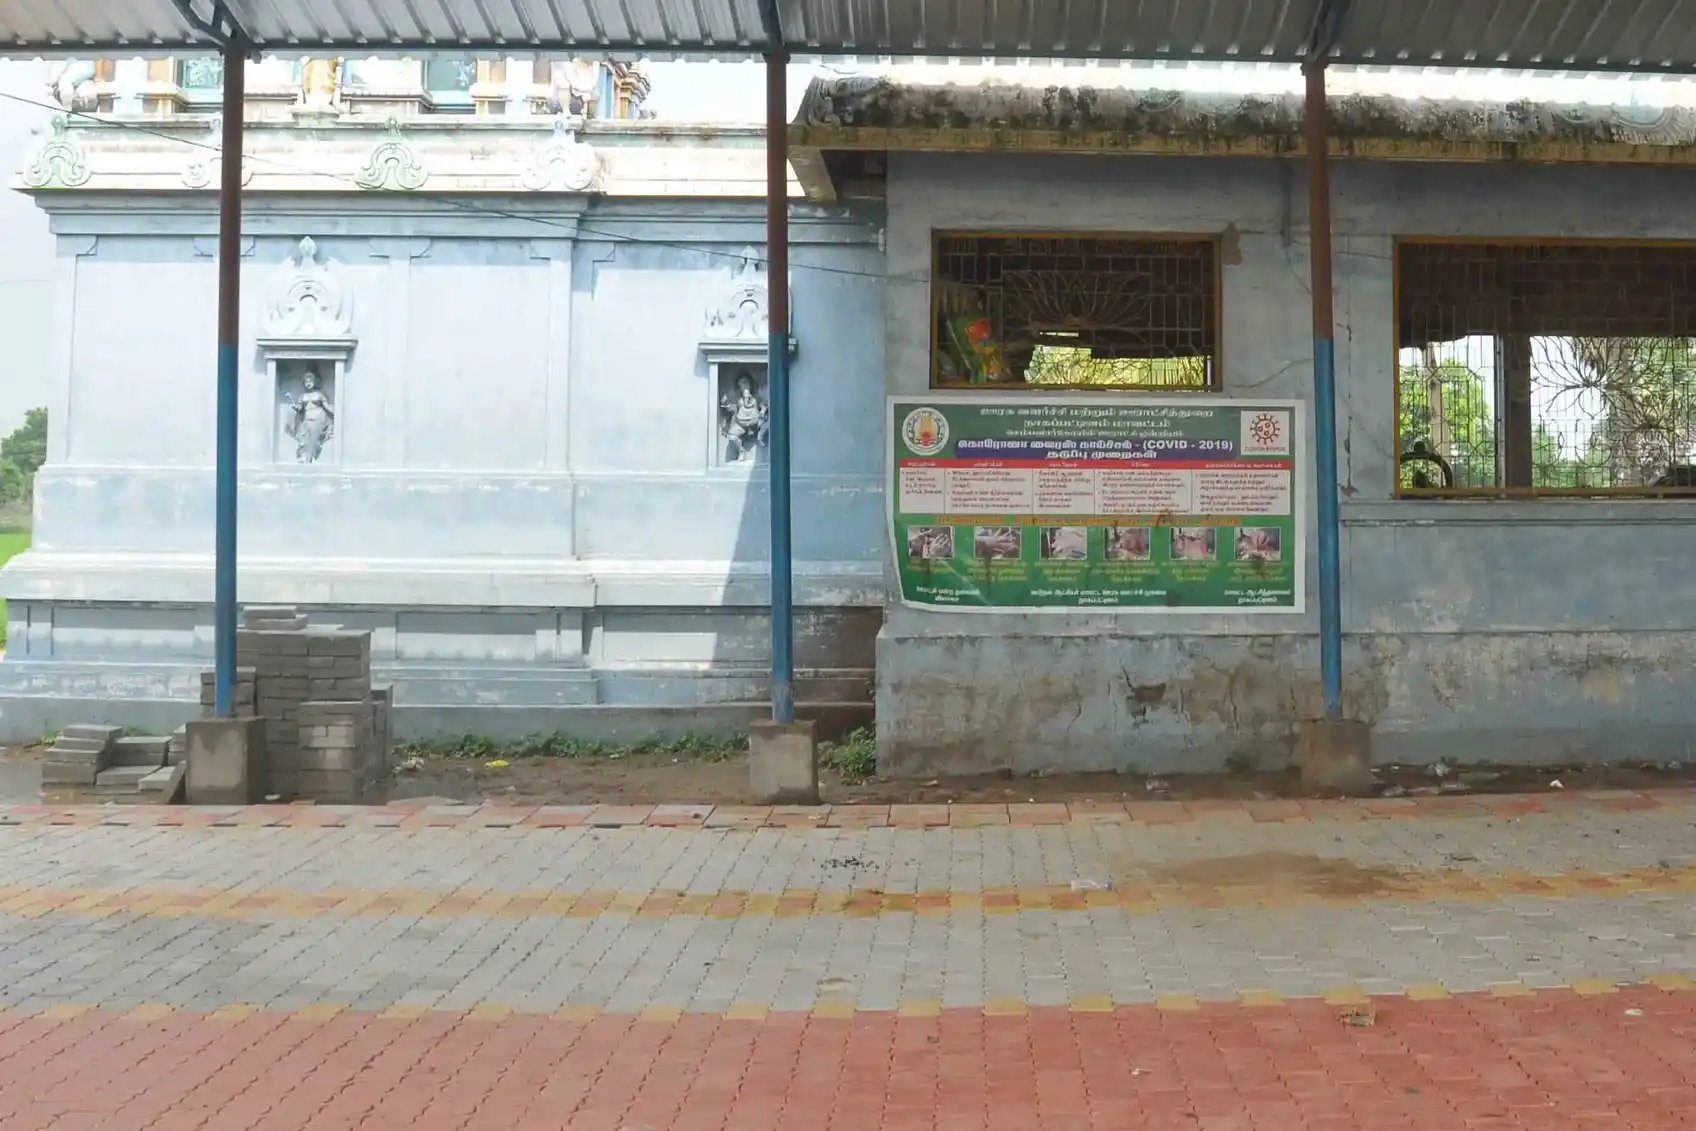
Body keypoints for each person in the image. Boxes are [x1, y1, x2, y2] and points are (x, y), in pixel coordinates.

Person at [286, 369, 335, 463]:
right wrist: (293, 405)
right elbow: (300, 408)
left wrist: (334, 414)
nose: (308, 384)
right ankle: (304, 456)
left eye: (310, 382)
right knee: (304, 438)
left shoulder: (319, 395)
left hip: (318, 418)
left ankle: (313, 457)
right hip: (306, 419)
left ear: (314, 382)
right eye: (306, 382)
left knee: (315, 438)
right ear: (304, 383)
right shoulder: (302, 396)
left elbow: (326, 407)